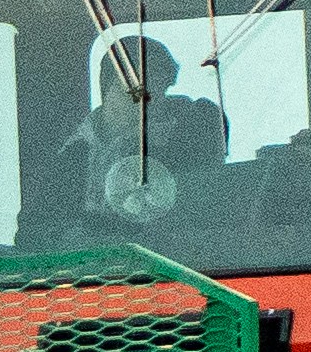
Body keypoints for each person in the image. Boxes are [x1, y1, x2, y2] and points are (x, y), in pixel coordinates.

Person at [69, 35, 227, 219]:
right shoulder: (69, 149)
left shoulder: (188, 134)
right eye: (138, 90)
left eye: (160, 90)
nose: (151, 101)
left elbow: (201, 203)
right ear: (108, 88)